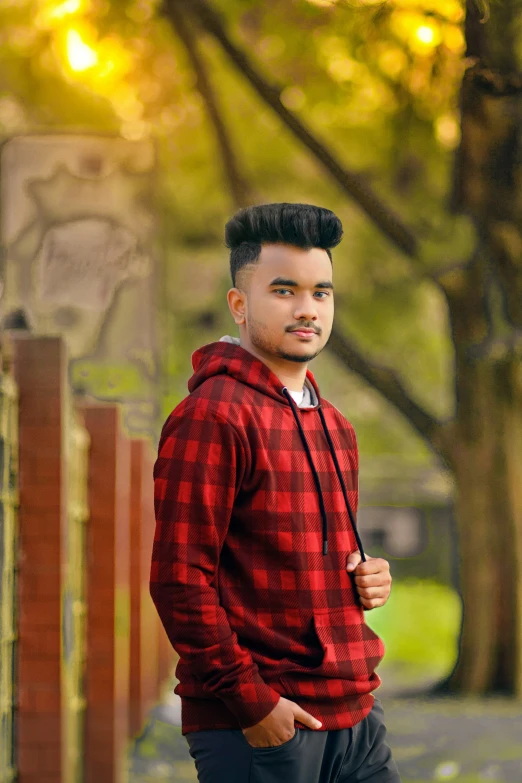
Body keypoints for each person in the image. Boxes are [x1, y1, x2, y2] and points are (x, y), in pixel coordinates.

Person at [150, 202, 401, 783]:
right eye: (284, 291)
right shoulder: (212, 415)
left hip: (357, 715)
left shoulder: (334, 425)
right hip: (262, 721)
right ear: (239, 303)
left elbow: (312, 553)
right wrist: (253, 705)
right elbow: (179, 579)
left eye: (322, 293)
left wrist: (366, 574)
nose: (307, 309)